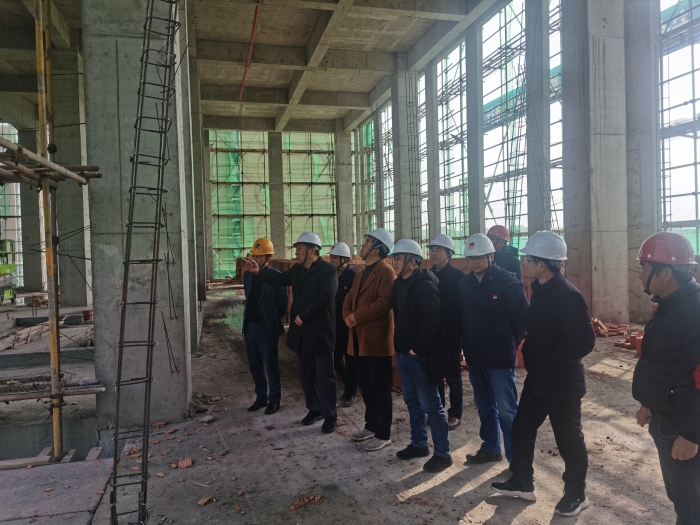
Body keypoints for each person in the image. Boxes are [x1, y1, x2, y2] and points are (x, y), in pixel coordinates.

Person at [492, 230, 595, 518]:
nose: (523, 263)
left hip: (562, 382)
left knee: (568, 439)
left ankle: (577, 494)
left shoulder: (568, 296)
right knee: (522, 428)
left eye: (528, 259)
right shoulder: (540, 288)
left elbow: (585, 341)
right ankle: (522, 481)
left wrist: (549, 360)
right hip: (538, 380)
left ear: (543, 264)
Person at [632, 232, 700, 525]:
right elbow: (664, 363)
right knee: (681, 497)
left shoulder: (693, 312)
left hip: (681, 425)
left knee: (690, 507)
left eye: (644, 267)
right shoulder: (670, 305)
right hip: (666, 418)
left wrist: (692, 435)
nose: (640, 275)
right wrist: (648, 403)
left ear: (666, 273)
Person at [243, 232, 339, 434]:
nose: (296, 252)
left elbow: (325, 296)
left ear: (312, 250)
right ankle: (314, 409)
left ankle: (330, 414)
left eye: (300, 249)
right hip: (302, 332)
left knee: (325, 376)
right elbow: (278, 279)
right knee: (306, 375)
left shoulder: (328, 270)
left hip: (320, 331)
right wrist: (259, 272)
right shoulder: (297, 270)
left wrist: (305, 314)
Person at [459, 233, 528, 464]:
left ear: (491, 256)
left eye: (479, 257)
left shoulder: (507, 281)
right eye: (471, 258)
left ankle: (516, 461)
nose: (475, 262)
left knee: (507, 411)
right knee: (484, 407)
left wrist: (508, 343)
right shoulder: (465, 284)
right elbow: (462, 320)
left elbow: (522, 321)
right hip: (475, 357)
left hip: (500, 359)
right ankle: (490, 448)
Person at [390, 238, 452, 472]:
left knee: (431, 405)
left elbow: (433, 321)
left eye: (398, 258)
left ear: (412, 261)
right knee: (412, 401)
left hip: (419, 355)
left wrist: (416, 348)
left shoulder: (425, 285)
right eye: (394, 258)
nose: (394, 262)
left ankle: (443, 453)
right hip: (404, 353)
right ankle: (419, 444)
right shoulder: (399, 284)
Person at [343, 228, 395, 452]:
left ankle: (383, 434)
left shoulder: (386, 272)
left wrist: (357, 316)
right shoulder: (361, 273)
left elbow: (384, 303)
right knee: (365, 385)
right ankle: (371, 425)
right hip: (358, 339)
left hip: (376, 341)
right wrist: (347, 315)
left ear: (376, 249)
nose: (362, 245)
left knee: (380, 388)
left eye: (367, 242)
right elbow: (348, 298)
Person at [242, 238, 288, 415]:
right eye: (253, 255)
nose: (255, 259)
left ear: (268, 258)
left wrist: (272, 321)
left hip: (266, 328)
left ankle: (274, 400)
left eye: (259, 257)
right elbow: (248, 298)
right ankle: (261, 397)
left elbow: (282, 304)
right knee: (255, 365)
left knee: (271, 366)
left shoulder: (276, 276)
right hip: (250, 327)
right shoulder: (248, 275)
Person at [427, 234, 466, 431]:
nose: (434, 254)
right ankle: (438, 409)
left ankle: (455, 413)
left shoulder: (459, 278)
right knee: (435, 374)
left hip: (451, 333)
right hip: (432, 333)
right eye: (432, 250)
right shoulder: (427, 275)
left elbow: (464, 308)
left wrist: (462, 334)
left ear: (449, 253)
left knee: (453, 375)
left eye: (438, 250)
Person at [329, 242, 358, 407]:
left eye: (334, 257)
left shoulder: (353, 276)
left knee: (351, 361)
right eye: (331, 257)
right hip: (334, 325)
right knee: (335, 360)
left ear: (344, 259)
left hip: (349, 326)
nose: (331, 260)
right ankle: (350, 384)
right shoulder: (331, 275)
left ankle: (351, 392)